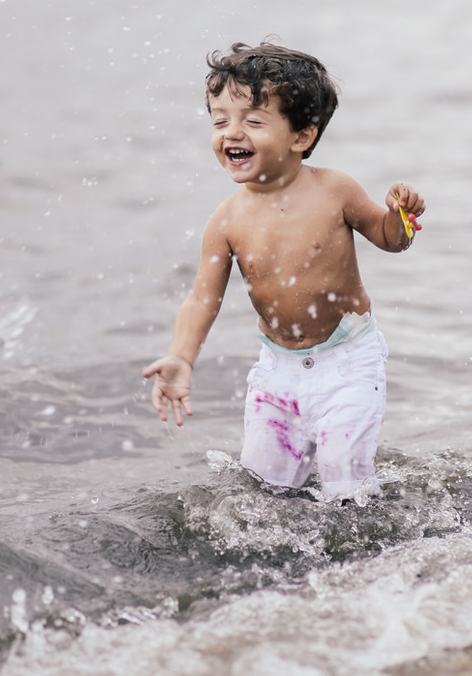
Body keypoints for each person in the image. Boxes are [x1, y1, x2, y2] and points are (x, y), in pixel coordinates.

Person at [142, 41, 425, 500]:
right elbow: (202, 298)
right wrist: (181, 356)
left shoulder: (335, 190)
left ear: (301, 137)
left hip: (348, 363)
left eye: (253, 121)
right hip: (277, 373)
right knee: (262, 490)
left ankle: (364, 560)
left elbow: (391, 239)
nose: (231, 132)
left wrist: (402, 216)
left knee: (347, 490)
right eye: (219, 120)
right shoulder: (227, 219)